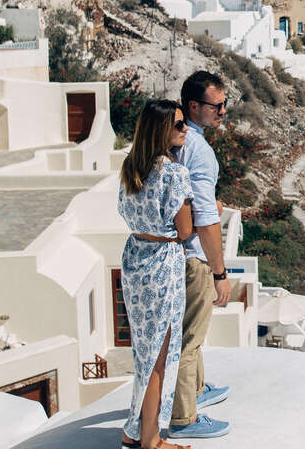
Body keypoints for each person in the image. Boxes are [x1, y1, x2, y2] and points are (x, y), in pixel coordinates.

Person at [117, 100, 195, 449]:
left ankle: (134, 429)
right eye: (178, 125)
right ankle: (152, 440)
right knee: (158, 356)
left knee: (143, 353)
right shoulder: (174, 174)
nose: (185, 129)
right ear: (162, 130)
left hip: (135, 259)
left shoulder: (130, 166)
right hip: (163, 263)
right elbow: (184, 230)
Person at [168, 71, 233, 440]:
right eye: (216, 106)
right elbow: (207, 222)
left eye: (224, 104)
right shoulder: (200, 151)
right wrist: (219, 273)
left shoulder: (173, 136)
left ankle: (196, 388)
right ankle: (184, 418)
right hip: (194, 258)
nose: (223, 111)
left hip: (172, 252)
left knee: (189, 328)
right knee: (189, 339)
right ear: (194, 106)